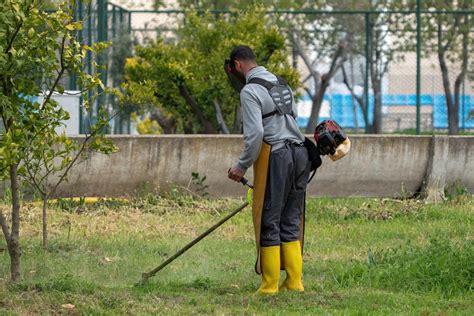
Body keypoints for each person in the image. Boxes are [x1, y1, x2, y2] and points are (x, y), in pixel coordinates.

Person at [226, 45, 311, 294]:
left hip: (278, 156)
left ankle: (269, 285)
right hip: (301, 153)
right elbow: (292, 118)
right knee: (292, 218)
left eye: (232, 68)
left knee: (269, 219)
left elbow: (255, 136)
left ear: (238, 64)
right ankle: (294, 282)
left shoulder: (250, 91)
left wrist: (240, 167)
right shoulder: (281, 83)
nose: (233, 73)